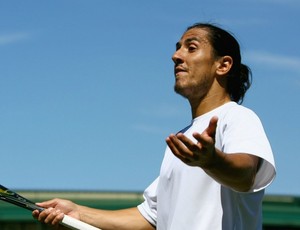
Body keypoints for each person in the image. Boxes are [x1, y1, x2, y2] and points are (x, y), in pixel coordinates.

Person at [33, 23, 276, 230]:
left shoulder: (237, 117)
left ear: (223, 65)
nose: (176, 56)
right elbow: (151, 216)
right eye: (178, 48)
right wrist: (78, 211)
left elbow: (246, 176)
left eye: (191, 48)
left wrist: (212, 161)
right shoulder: (182, 140)